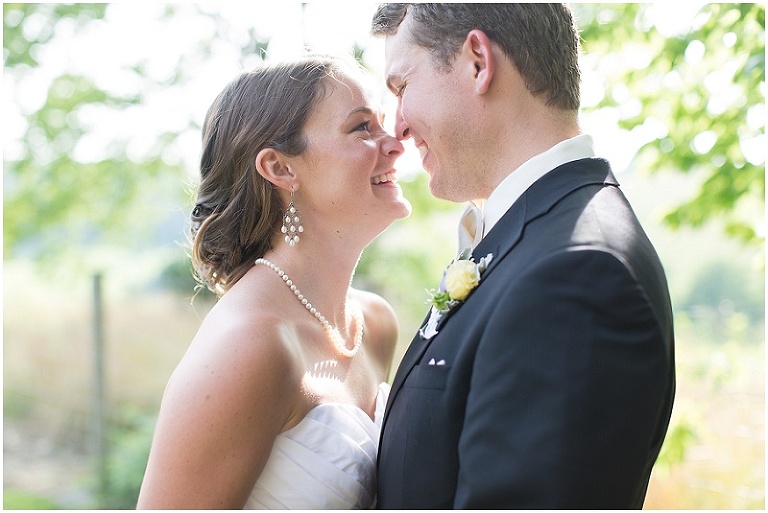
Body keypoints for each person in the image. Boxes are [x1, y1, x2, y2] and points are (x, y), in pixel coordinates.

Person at [371, 4, 676, 509]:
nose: (398, 127)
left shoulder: (578, 276)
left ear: (477, 62)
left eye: (402, 87)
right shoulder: (534, 239)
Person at [136, 56, 411, 509]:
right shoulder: (250, 343)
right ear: (281, 169)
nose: (395, 143)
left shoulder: (375, 324)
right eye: (362, 128)